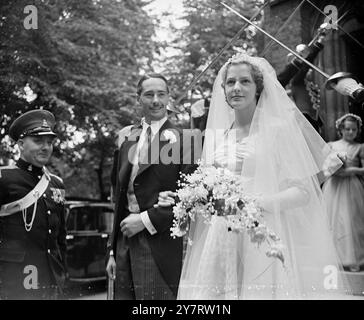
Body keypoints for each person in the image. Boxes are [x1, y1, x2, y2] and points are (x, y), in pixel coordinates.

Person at [157, 53, 352, 299]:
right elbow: (210, 190)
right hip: (220, 239)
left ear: (258, 87)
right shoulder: (220, 136)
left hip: (261, 238)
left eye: (245, 81)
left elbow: (303, 192)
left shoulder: (278, 131)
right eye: (230, 82)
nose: (236, 88)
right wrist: (184, 198)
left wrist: (251, 204)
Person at [106, 73, 196, 300]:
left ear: (168, 98)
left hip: (160, 245)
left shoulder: (187, 139)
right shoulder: (127, 138)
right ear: (138, 99)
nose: (155, 100)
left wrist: (145, 220)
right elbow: (118, 197)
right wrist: (111, 250)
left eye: (161, 94)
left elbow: (190, 196)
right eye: (149, 94)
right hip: (124, 244)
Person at [0, 109, 67, 300]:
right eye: (38, 141)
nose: (46, 147)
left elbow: (60, 238)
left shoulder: (56, 183)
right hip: (14, 282)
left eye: (50, 142)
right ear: (21, 144)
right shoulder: (4, 178)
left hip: (51, 279)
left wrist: (63, 274)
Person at [322, 113, 364, 272]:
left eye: (354, 130)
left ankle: (353, 258)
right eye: (347, 129)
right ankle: (333, 258)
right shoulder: (331, 145)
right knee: (333, 220)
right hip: (333, 186)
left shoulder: (359, 147)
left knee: (350, 220)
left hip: (352, 186)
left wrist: (350, 170)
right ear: (341, 129)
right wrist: (333, 170)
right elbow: (323, 165)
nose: (351, 132)